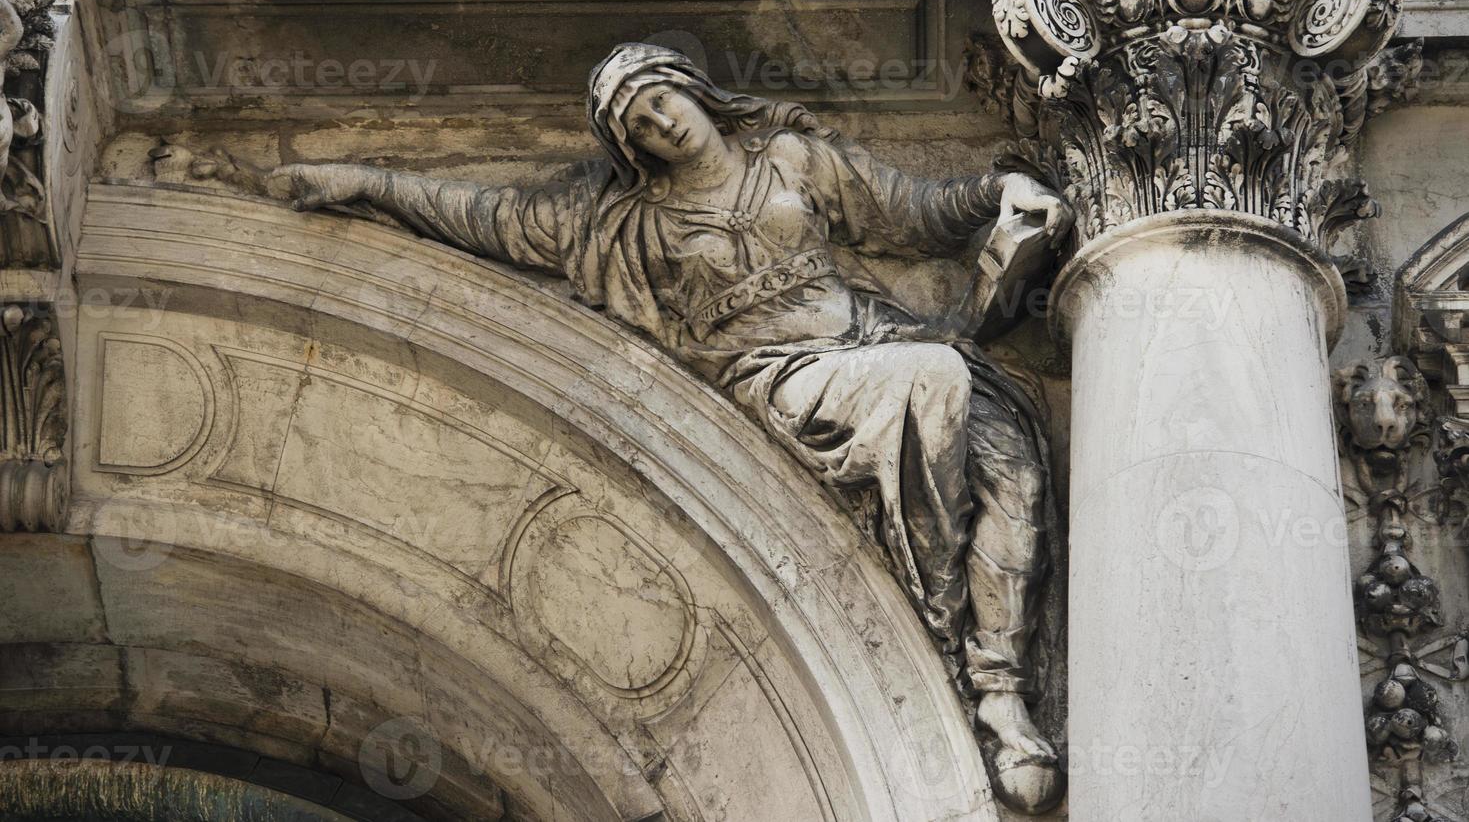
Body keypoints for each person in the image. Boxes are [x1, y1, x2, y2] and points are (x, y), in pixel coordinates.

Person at [272, 43, 1073, 812]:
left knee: (1015, 467)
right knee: (932, 380)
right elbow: (486, 215)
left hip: (870, 337)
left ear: (693, 88)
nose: (661, 124)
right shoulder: (622, 223)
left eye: (662, 100)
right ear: (634, 149)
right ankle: (935, 613)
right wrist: (360, 180)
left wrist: (996, 190)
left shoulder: (791, 159)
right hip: (782, 378)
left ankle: (999, 694)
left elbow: (911, 215)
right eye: (641, 126)